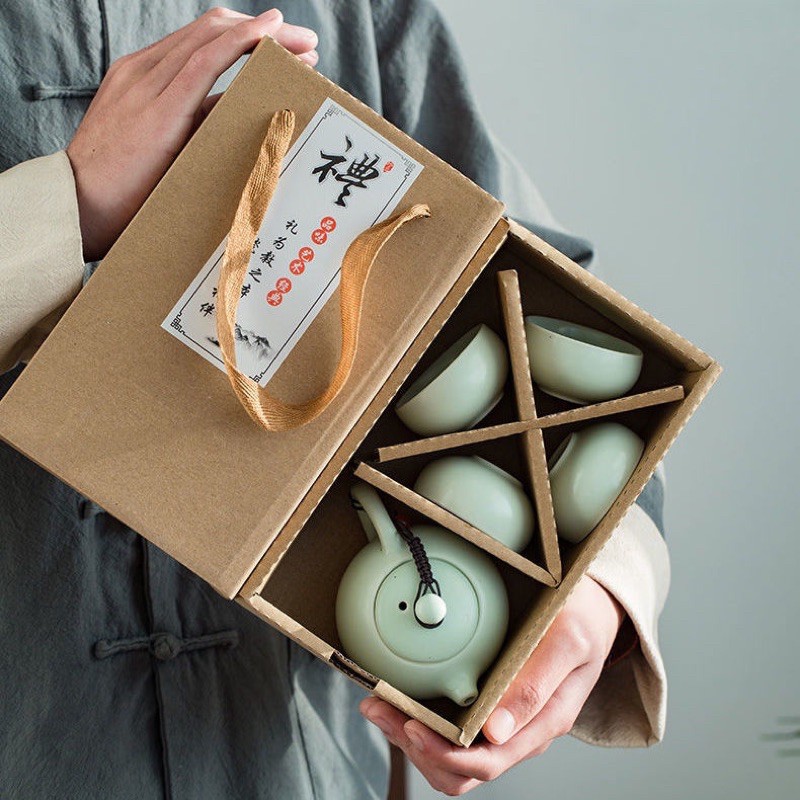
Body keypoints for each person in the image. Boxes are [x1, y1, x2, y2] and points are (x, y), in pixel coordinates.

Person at [0, 2, 670, 797]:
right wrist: (61, 208)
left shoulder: (356, 15)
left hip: (301, 769)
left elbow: (545, 295)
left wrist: (596, 586)